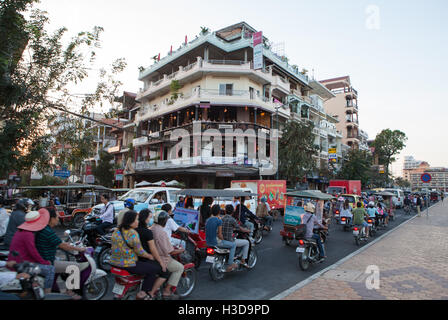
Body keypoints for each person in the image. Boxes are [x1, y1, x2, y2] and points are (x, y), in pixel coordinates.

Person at [35, 207, 86, 300]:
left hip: (43, 259)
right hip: (47, 261)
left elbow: (59, 243)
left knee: (62, 260)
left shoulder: (44, 228)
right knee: (75, 267)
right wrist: (80, 249)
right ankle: (70, 291)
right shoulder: (47, 231)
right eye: (57, 217)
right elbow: (63, 246)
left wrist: (69, 244)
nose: (58, 219)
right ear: (51, 218)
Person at [109, 210, 162, 300]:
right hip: (128, 264)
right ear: (131, 221)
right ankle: (143, 293)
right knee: (154, 269)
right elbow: (140, 251)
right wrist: (150, 256)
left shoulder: (116, 231)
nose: (138, 221)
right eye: (136, 220)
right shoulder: (133, 233)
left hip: (114, 262)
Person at [7, 209, 55, 294]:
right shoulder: (28, 234)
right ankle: (48, 293)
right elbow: (33, 252)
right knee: (50, 269)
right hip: (22, 264)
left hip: (16, 261)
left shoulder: (21, 231)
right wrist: (45, 262)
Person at [135, 209, 171, 299]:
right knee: (164, 272)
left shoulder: (134, 230)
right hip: (145, 259)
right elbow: (153, 249)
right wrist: (161, 262)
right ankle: (150, 293)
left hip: (135, 258)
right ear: (145, 219)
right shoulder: (147, 232)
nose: (151, 219)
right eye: (150, 217)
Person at [150, 211, 184, 300]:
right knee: (179, 267)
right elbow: (170, 251)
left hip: (152, 256)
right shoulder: (161, 232)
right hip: (161, 258)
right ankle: (167, 291)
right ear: (164, 221)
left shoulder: (152, 228)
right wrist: (181, 250)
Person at [205, 204, 235, 272]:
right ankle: (230, 263)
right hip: (216, 242)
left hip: (208, 242)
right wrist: (223, 239)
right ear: (219, 212)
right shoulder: (219, 221)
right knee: (233, 245)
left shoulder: (207, 220)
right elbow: (220, 235)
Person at [222, 204, 251, 271]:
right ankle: (243, 260)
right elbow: (240, 228)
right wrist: (248, 230)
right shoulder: (232, 220)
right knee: (246, 242)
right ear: (232, 212)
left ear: (225, 211)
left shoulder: (222, 219)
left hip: (223, 240)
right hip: (229, 240)